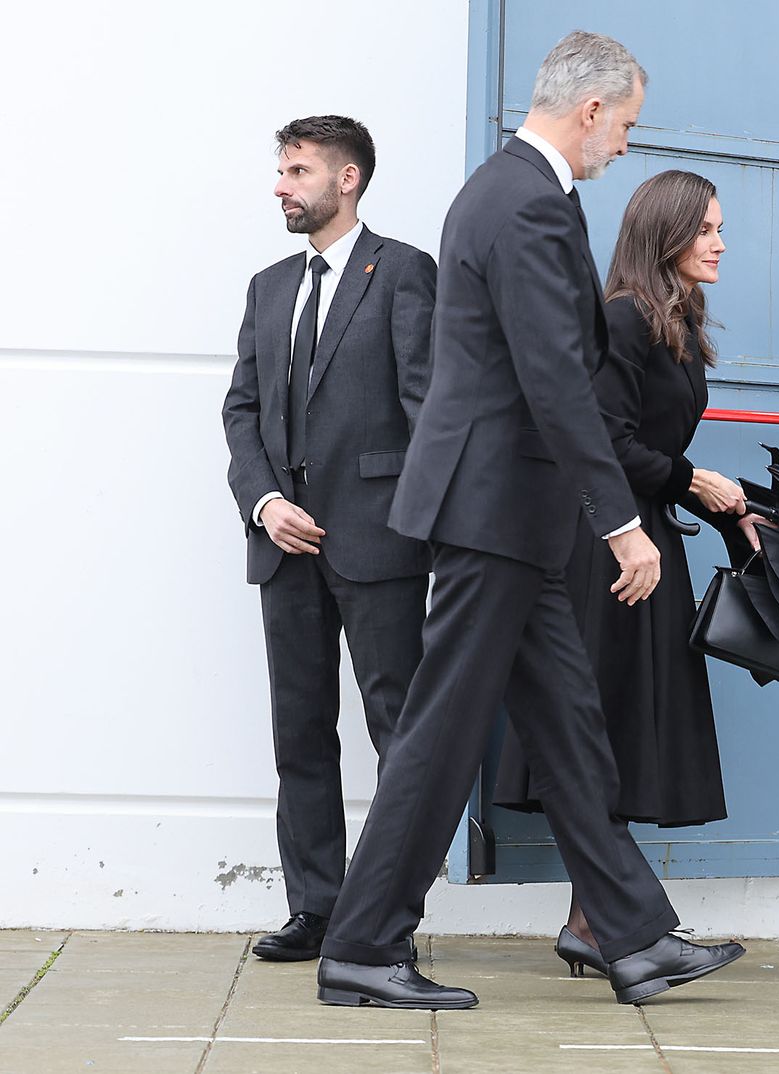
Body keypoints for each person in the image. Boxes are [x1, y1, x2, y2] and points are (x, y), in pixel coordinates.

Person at [314, 31, 744, 1011]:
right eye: (627, 123)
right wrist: (619, 522)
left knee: (571, 727)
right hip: (496, 507)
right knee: (440, 733)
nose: (626, 145)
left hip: (508, 510)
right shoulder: (528, 202)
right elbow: (555, 381)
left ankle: (631, 938)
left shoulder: (505, 191)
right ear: (589, 110)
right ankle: (364, 946)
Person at [493, 170, 766, 977]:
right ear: (667, 234)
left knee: (611, 738)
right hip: (607, 553)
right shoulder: (623, 318)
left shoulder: (673, 319)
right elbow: (601, 439)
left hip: (645, 544)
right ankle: (613, 927)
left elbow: (644, 446)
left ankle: (594, 922)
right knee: (597, 737)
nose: (720, 243)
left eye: (721, 229)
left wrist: (726, 508)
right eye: (707, 229)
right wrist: (692, 481)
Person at [221, 116, 434, 963]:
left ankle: (385, 921)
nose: (281, 184)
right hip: (285, 548)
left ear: (347, 180)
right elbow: (242, 411)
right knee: (300, 733)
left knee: (400, 735)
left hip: (379, 542)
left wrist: (430, 524)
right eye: (280, 169)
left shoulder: (404, 271)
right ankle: (316, 908)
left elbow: (429, 409)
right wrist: (265, 500)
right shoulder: (268, 286)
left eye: (297, 169)